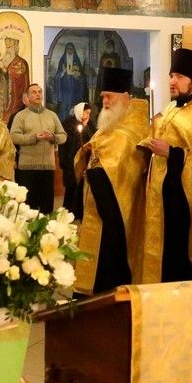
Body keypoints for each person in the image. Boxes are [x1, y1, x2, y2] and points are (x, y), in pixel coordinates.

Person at [141, 48, 192, 283]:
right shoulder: (172, 108)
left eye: (179, 77)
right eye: (171, 76)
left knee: (179, 256)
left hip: (183, 202)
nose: (172, 81)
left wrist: (172, 153)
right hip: (163, 195)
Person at [73, 67, 150, 294]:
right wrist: (89, 154)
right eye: (103, 97)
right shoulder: (108, 127)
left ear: (125, 97)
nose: (105, 102)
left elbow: (120, 167)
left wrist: (96, 165)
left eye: (109, 97)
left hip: (115, 213)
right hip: (96, 206)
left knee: (109, 267)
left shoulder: (131, 130)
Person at [10, 83, 66, 213]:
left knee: (46, 206)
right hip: (27, 169)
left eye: (39, 92)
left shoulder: (52, 115)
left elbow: (63, 136)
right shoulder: (21, 116)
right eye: (34, 92)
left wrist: (53, 137)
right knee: (28, 207)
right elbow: (13, 137)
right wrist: (34, 138)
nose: (37, 94)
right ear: (27, 96)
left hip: (47, 167)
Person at [59, 101, 89, 217]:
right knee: (71, 188)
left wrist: (85, 127)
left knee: (81, 188)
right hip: (70, 161)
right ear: (79, 112)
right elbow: (67, 144)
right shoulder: (68, 125)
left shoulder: (88, 125)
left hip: (82, 162)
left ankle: (78, 214)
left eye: (89, 113)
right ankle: (67, 214)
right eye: (86, 113)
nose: (87, 115)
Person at [0, 35, 29, 123]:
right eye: (6, 47)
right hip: (1, 100)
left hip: (13, 102)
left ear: (16, 47)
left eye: (10, 47)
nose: (7, 49)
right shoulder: (3, 60)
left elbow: (17, 78)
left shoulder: (21, 62)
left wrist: (4, 69)